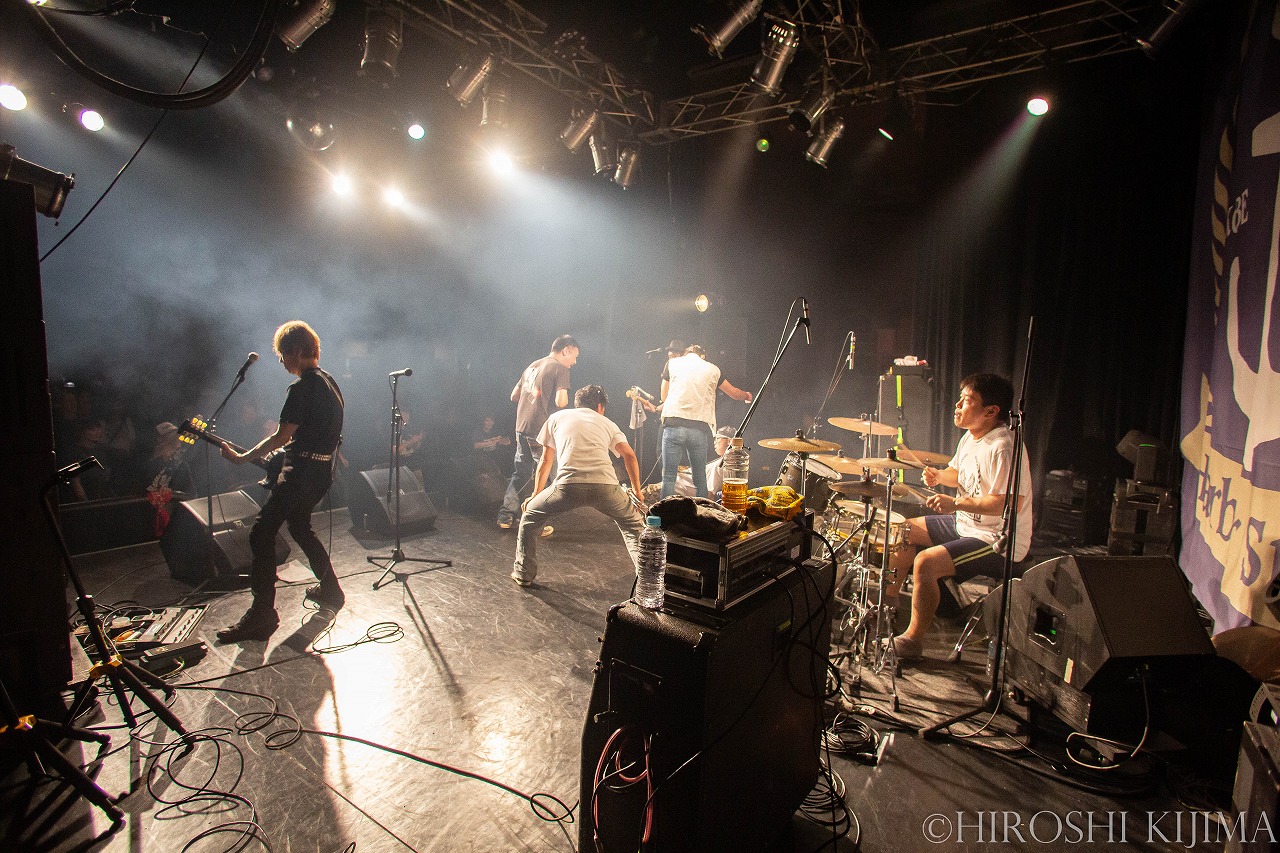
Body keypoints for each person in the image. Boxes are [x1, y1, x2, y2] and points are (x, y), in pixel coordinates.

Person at [884, 373, 1033, 661]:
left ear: (991, 411)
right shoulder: (971, 437)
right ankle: (887, 609)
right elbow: (959, 474)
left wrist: (955, 503)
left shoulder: (1003, 446)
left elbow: (1006, 503)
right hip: (967, 525)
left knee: (925, 562)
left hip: (997, 540)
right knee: (902, 530)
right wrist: (940, 476)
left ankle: (912, 641)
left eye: (967, 400)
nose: (957, 405)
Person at [215, 321, 346, 643]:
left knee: (261, 533)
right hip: (322, 471)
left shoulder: (301, 387)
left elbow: (281, 436)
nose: (281, 362)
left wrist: (242, 458)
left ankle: (262, 615)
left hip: (301, 473)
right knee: (300, 527)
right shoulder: (329, 381)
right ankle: (331, 590)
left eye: (282, 355)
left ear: (297, 351)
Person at [512, 385, 645, 587]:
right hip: (606, 487)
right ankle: (648, 580)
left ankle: (524, 573)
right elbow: (630, 456)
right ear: (600, 407)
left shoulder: (556, 418)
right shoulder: (608, 423)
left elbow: (545, 461)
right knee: (633, 527)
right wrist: (637, 491)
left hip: (567, 487)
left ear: (577, 404)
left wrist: (535, 494)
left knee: (529, 517)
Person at [496, 335, 580, 534]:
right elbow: (561, 402)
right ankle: (535, 523)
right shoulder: (560, 368)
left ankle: (505, 517)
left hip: (521, 427)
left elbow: (514, 396)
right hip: (540, 430)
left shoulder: (533, 365)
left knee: (521, 473)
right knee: (549, 476)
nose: (574, 362)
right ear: (566, 350)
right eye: (574, 356)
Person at [657, 345, 752, 498]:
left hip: (674, 423)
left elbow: (664, 396)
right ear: (703, 356)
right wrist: (746, 395)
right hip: (698, 427)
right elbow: (734, 393)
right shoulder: (713, 369)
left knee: (669, 476)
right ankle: (702, 511)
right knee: (700, 477)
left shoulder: (672, 363)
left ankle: (664, 512)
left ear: (686, 354)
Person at [674, 425, 736, 499]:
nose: (714, 442)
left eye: (717, 438)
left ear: (729, 441)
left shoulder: (726, 462)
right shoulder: (722, 461)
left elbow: (710, 494)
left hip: (681, 489)